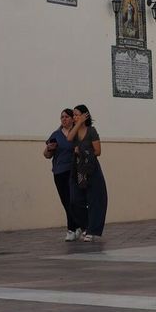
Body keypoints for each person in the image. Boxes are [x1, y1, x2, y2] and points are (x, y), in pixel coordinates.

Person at [67, 104, 108, 242]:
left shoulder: (92, 131)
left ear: (85, 115)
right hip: (77, 168)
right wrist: (78, 124)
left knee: (95, 200)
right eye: (74, 115)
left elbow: (98, 151)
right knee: (74, 200)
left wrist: (84, 152)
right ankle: (86, 226)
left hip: (91, 168)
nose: (74, 117)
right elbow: (69, 139)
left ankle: (92, 230)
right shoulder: (74, 130)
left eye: (77, 114)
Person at [44, 108, 80, 240]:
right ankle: (74, 227)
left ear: (72, 119)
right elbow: (46, 155)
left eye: (66, 117)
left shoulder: (76, 133)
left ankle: (73, 228)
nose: (64, 119)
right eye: (62, 117)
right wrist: (49, 149)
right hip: (59, 172)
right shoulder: (56, 134)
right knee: (65, 201)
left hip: (73, 170)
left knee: (74, 200)